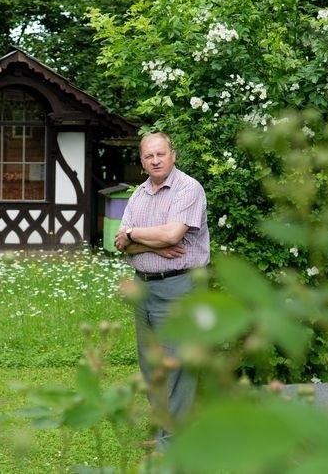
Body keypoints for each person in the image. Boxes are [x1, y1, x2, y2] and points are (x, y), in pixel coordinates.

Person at [113, 132, 210, 449]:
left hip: (179, 285)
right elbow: (119, 244)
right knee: (152, 364)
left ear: (173, 154)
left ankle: (173, 442)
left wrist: (133, 236)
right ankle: (163, 433)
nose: (155, 160)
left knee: (177, 364)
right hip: (145, 289)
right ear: (141, 161)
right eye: (148, 156)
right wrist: (138, 241)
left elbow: (172, 234)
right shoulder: (138, 195)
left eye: (160, 154)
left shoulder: (188, 188)